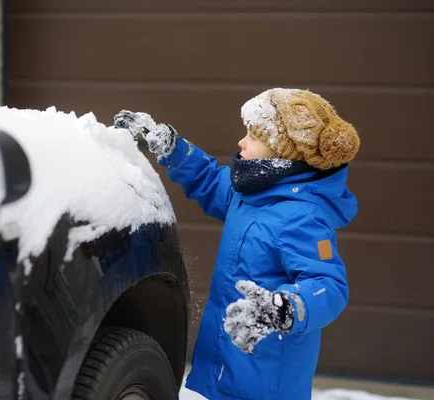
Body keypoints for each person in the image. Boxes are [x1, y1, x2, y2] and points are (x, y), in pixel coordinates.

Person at [114, 88, 360, 400]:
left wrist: (281, 308)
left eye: (253, 137)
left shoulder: (302, 217)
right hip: (231, 362)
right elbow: (210, 182)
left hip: (265, 381)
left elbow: (329, 286)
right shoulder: (254, 196)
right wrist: (174, 149)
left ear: (282, 153)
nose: (241, 143)